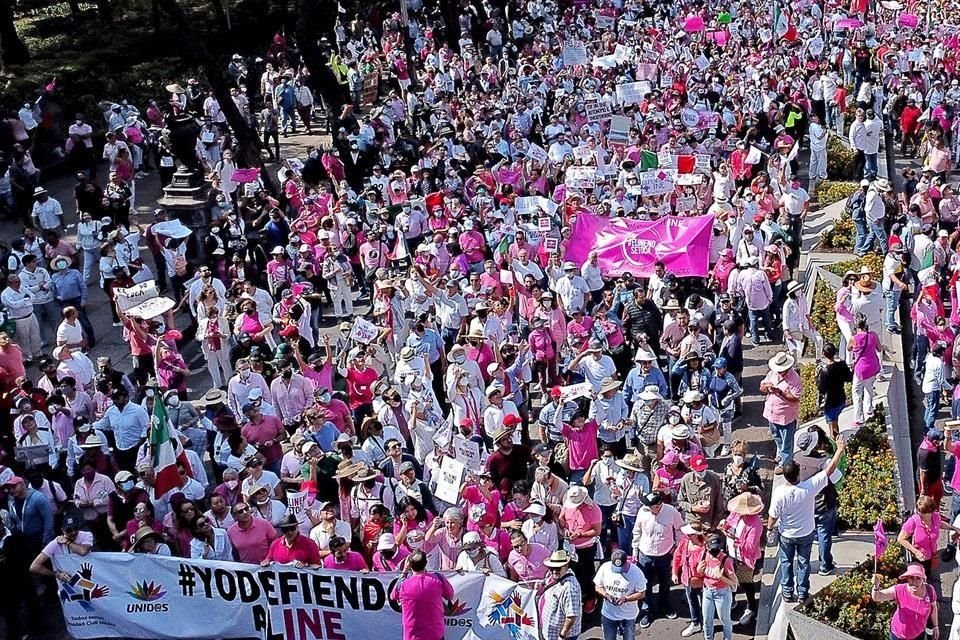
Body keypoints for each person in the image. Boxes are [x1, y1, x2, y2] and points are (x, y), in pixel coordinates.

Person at [768, 434, 846, 603]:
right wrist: (839, 450)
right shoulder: (808, 488)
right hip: (806, 533)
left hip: (787, 535)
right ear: (797, 476)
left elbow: (772, 516)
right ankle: (803, 592)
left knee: (786, 562)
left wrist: (770, 529)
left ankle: (787, 592)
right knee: (804, 563)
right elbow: (830, 470)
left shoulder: (779, 493)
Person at [632, 491, 684, 628]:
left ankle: (665, 606)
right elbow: (637, 532)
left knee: (665, 582)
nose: (648, 507)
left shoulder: (671, 511)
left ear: (658, 505)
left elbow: (680, 529)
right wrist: (635, 552)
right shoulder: (642, 512)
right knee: (645, 584)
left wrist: (677, 547)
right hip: (645, 553)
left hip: (664, 554)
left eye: (651, 505)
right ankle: (646, 611)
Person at [718, 492, 765, 625]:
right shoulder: (737, 514)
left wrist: (734, 538)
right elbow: (729, 522)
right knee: (731, 579)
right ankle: (732, 600)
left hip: (744, 559)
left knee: (746, 583)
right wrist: (724, 526)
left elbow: (750, 547)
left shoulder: (755, 524)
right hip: (731, 553)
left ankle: (751, 607)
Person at [391, 550, 454, 640]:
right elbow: (450, 596)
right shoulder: (438, 579)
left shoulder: (403, 584)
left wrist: (404, 571)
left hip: (412, 635)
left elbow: (392, 596)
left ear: (409, 564)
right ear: (426, 563)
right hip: (435, 634)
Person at [871, 563, 939, 640]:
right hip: (899, 636)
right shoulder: (900, 590)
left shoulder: (930, 590)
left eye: (918, 578)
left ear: (923, 579)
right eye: (911, 578)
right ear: (907, 578)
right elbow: (877, 597)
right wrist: (876, 587)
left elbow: (934, 607)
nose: (914, 582)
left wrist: (935, 626)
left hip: (919, 634)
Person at [760, 351, 802, 473]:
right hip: (772, 414)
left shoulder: (794, 379)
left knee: (787, 443)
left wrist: (780, 392)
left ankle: (785, 465)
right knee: (777, 437)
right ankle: (781, 455)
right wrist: (767, 387)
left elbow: (795, 398)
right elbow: (761, 386)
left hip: (786, 416)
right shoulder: (772, 373)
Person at [593, 549, 646, 640]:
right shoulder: (604, 568)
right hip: (608, 614)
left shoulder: (636, 573)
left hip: (628, 615)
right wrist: (606, 595)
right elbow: (598, 586)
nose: (619, 572)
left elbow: (641, 593)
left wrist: (625, 599)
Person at [29, 512, 93, 581]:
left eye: (75, 528)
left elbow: (83, 551)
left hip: (87, 576)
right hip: (69, 580)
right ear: (62, 530)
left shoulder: (86, 535)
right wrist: (57, 574)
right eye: (69, 530)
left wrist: (67, 542)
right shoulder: (55, 543)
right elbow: (34, 566)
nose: (73, 532)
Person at [699, 532, 739, 640]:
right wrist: (699, 570)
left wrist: (721, 577)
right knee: (707, 620)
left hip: (722, 593)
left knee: (725, 620)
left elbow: (735, 582)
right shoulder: (704, 555)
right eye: (712, 548)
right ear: (707, 547)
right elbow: (701, 573)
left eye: (716, 548)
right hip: (707, 592)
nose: (714, 551)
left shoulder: (726, 560)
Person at [672, 522, 707, 638]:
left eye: (689, 534)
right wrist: (675, 573)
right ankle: (695, 622)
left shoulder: (705, 548)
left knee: (706, 605)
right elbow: (677, 556)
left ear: (695, 535)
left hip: (703, 583)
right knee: (692, 603)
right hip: (687, 580)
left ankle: (707, 625)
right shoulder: (684, 543)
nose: (686, 536)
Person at [540, 550, 582, 640]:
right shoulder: (556, 576)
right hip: (551, 632)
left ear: (566, 566)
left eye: (558, 568)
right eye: (551, 568)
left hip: (562, 636)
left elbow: (571, 616)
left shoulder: (569, 588)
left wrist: (562, 635)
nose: (554, 571)